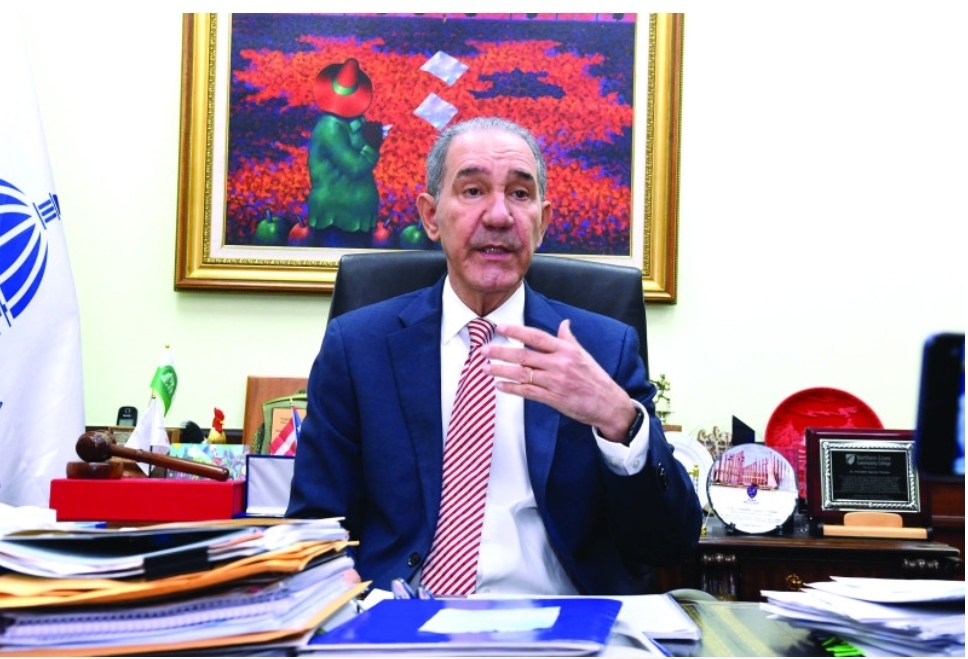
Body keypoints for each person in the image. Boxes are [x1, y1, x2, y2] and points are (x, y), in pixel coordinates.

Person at [287, 116, 702, 595]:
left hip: (559, 622)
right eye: (473, 191)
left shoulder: (604, 350)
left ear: (543, 223)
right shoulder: (358, 347)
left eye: (520, 194)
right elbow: (317, 522)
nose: (499, 216)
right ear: (430, 216)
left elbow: (669, 544)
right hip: (401, 617)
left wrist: (618, 419)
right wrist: (334, 579)